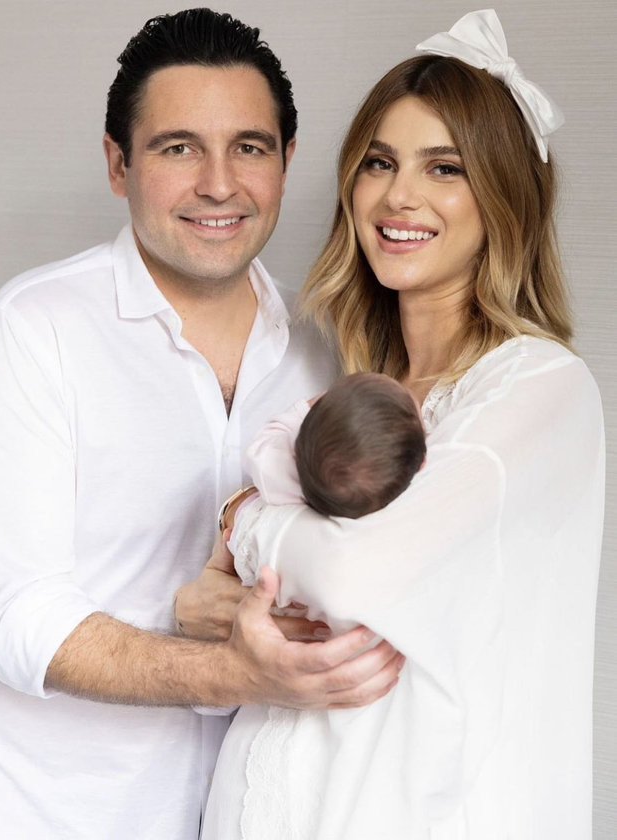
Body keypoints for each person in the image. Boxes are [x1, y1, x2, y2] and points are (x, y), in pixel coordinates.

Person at [0, 9, 403, 840]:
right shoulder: (33, 330)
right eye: (178, 147)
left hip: (237, 815)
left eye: (249, 147)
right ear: (118, 164)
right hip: (36, 814)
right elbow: (21, 622)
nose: (219, 184)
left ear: (287, 160)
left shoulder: (324, 348)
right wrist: (234, 670)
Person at [198, 10, 605, 839]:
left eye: (443, 168)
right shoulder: (348, 390)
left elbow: (349, 578)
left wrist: (242, 520)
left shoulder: (537, 387)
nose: (397, 196)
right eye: (378, 162)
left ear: (503, 199)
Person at [221, 372, 425, 532]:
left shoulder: (281, 466)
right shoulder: (382, 503)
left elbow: (260, 447)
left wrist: (307, 407)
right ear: (421, 464)